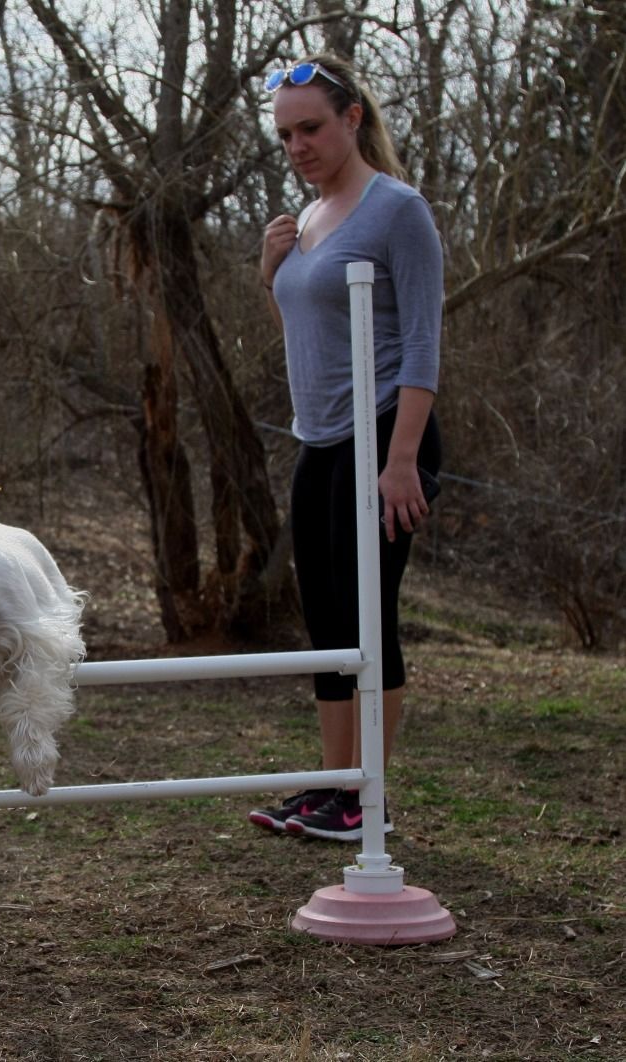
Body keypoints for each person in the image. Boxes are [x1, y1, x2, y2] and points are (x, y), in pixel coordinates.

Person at [247, 54, 443, 842]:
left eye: (311, 128)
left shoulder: (396, 210)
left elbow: (424, 346)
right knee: (326, 620)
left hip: (388, 433)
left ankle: (369, 795)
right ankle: (332, 786)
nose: (298, 145)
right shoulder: (306, 220)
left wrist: (399, 462)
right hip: (319, 440)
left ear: (352, 118)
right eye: (286, 134)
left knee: (367, 616)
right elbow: (310, 339)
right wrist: (270, 276)